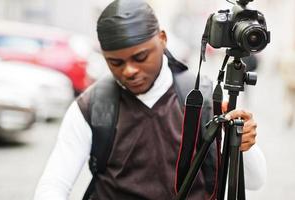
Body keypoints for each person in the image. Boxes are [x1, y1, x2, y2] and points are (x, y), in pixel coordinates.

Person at [34, 0, 266, 199]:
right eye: (116, 63)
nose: (129, 70)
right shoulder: (92, 106)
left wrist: (246, 145)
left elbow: (254, 182)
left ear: (162, 39)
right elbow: (54, 184)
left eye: (140, 56)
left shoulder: (206, 97)